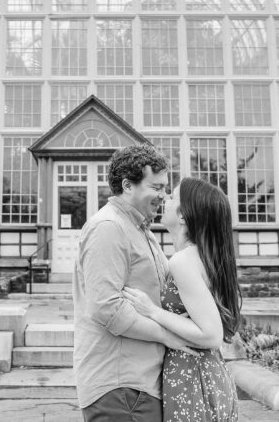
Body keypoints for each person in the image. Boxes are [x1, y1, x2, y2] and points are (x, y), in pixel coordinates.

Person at [73, 144, 198, 421]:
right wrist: (167, 336)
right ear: (128, 186)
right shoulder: (108, 227)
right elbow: (107, 307)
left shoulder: (142, 230)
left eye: (165, 187)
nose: (163, 195)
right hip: (120, 387)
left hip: (139, 384)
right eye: (156, 187)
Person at [123, 177, 243, 422]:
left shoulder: (183, 261)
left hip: (192, 376)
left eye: (173, 196)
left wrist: (153, 311)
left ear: (183, 216)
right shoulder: (200, 256)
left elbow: (211, 335)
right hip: (204, 373)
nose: (165, 199)